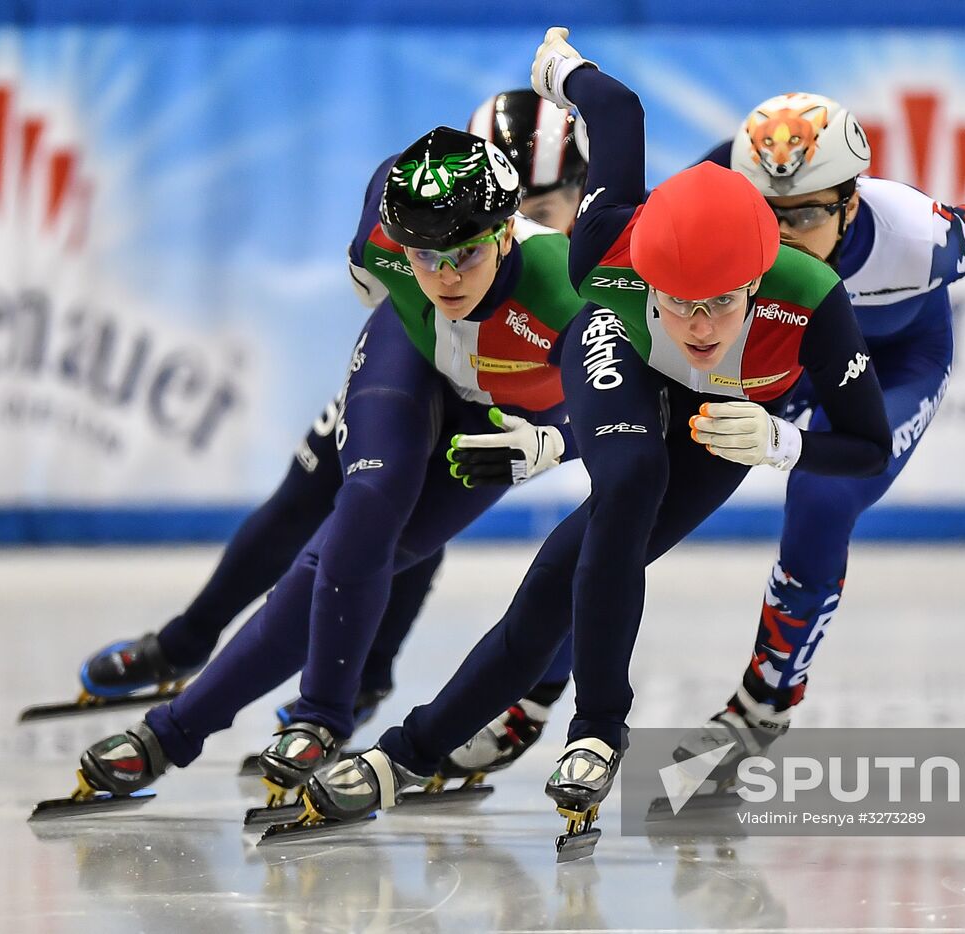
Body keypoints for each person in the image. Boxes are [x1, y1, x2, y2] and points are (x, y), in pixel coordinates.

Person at [291, 28, 891, 857]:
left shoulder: (813, 301)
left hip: (731, 421)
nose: (699, 327)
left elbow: (867, 449)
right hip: (630, 361)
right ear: (643, 267)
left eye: (719, 305)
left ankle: (406, 756)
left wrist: (785, 442)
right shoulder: (606, 237)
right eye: (677, 301)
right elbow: (616, 106)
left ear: (760, 280)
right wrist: (560, 67)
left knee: (548, 595)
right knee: (632, 477)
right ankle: (599, 729)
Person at [44, 126, 589, 812]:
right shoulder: (382, 242)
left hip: (502, 422)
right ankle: (302, 719)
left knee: (380, 552)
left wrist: (553, 444)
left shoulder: (568, 294)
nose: (447, 276)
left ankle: (193, 727)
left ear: (507, 235)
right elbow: (390, 198)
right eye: (427, 256)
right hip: (413, 359)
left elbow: (621, 418)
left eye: (467, 254)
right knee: (361, 510)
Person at [669, 90, 965, 781]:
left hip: (894, 362)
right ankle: (542, 693)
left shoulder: (919, 237)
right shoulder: (719, 195)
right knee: (643, 482)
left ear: (851, 203)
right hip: (793, 350)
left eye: (809, 214)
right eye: (767, 215)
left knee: (822, 495)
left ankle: (763, 704)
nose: (783, 237)